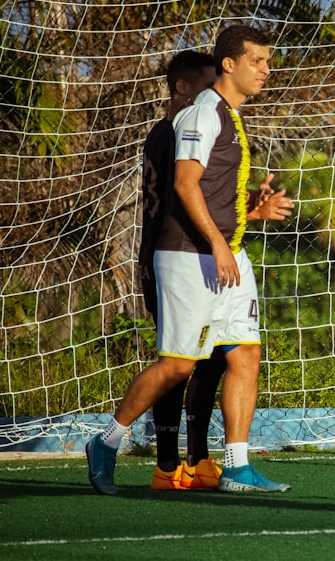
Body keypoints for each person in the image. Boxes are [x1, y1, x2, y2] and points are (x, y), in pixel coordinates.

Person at [86, 25, 294, 494]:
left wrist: (251, 212)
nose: (266, 69)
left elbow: (217, 194)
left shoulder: (232, 115)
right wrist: (219, 245)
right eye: (257, 60)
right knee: (179, 365)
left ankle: (237, 467)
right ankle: (107, 441)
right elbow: (184, 184)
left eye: (267, 60)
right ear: (229, 64)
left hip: (228, 255)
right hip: (189, 258)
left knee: (246, 352)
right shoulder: (203, 113)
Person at [140, 50, 225, 490]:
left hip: (202, 256)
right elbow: (182, 199)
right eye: (208, 85)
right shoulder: (170, 132)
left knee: (214, 354)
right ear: (182, 88)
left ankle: (199, 457)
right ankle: (167, 463)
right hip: (170, 257)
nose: (216, 95)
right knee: (178, 361)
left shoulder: (196, 127)